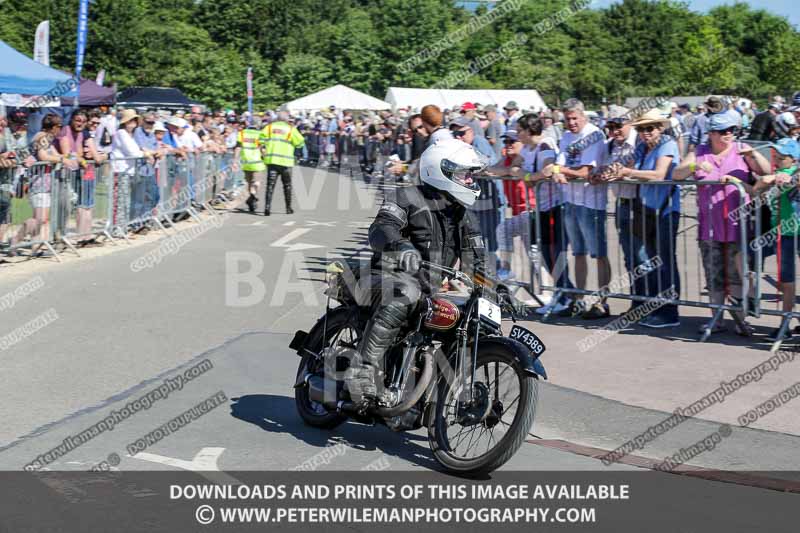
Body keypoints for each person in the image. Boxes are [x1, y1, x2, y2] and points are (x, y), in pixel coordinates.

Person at [344, 137, 488, 406]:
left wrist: (493, 289)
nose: (470, 181)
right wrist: (401, 246)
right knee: (405, 293)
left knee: (466, 314)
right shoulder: (407, 196)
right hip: (381, 278)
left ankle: (420, 392)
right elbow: (381, 228)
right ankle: (361, 371)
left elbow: (476, 264)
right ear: (440, 171)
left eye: (470, 175)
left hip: (427, 290)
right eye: (464, 175)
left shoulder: (464, 216)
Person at [674, 110, 770, 335]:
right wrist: (693, 167)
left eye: (731, 130)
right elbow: (677, 174)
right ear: (711, 133)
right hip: (709, 226)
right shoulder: (700, 152)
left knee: (737, 275)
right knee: (713, 275)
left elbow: (766, 172)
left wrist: (753, 155)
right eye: (723, 131)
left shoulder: (741, 149)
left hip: (739, 225)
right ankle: (716, 321)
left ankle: (740, 321)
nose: (728, 135)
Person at [612, 109, 682, 328]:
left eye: (649, 128)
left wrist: (627, 172)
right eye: (641, 128)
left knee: (665, 260)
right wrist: (615, 171)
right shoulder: (642, 147)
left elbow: (660, 174)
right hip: (646, 209)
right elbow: (629, 167)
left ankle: (670, 311)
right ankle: (654, 307)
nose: (645, 132)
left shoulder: (667, 144)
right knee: (651, 260)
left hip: (666, 209)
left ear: (660, 128)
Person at [543, 99, 610, 319]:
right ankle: (580, 300)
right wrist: (558, 171)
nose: (571, 122)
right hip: (571, 201)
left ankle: (602, 301)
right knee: (578, 253)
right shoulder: (566, 136)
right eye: (567, 119)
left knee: (598, 254)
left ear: (584, 116)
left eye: (575, 118)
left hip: (592, 203)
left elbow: (584, 172)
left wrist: (559, 169)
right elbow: (558, 166)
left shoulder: (594, 134)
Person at [598, 107, 649, 311]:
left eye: (618, 125)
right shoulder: (611, 145)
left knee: (642, 256)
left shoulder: (639, 141)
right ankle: (637, 301)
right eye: (610, 126)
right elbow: (605, 169)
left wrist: (622, 173)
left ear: (629, 123)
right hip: (622, 203)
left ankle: (648, 302)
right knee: (630, 257)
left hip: (640, 204)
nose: (614, 130)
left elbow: (641, 169)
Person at [749, 138, 800, 339]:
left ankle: (786, 323)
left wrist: (786, 178)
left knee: (787, 282)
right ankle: (785, 324)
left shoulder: (790, 173)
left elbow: (789, 178)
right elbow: (757, 187)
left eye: (782, 157)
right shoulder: (779, 173)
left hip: (794, 232)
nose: (777, 159)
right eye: (776, 156)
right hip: (782, 234)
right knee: (786, 281)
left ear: (793, 159)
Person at [259, 110, 305, 216]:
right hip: (286, 162)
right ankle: (288, 208)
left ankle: (267, 208)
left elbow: (261, 139)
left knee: (270, 185)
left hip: (272, 161)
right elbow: (300, 142)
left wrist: (264, 148)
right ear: (286, 119)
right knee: (287, 185)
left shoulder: (269, 127)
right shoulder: (290, 129)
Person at [234, 117, 265, 213]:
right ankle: (252, 197)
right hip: (257, 162)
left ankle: (251, 197)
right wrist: (266, 157)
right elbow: (262, 148)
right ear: (258, 124)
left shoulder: (242, 133)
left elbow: (238, 147)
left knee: (249, 182)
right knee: (256, 182)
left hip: (246, 162)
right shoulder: (261, 134)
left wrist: (235, 160)